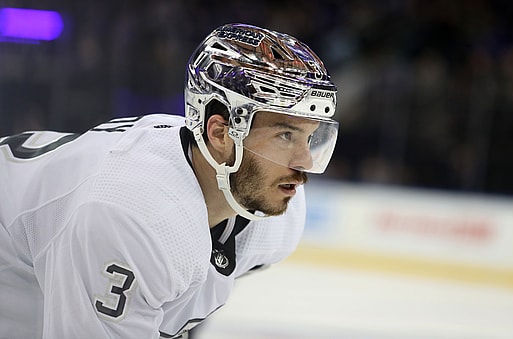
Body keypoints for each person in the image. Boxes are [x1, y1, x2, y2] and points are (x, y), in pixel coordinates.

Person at [0, 23, 338, 338]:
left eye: (309, 138)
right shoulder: (132, 214)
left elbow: (192, 295)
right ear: (220, 133)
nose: (304, 164)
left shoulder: (274, 210)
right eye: (284, 135)